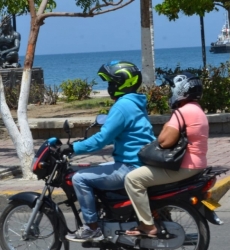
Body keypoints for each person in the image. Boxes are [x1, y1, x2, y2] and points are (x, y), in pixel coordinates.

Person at [60, 60, 156, 242]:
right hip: (138, 162)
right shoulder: (135, 102)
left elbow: (102, 139)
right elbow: (111, 135)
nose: (110, 86)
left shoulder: (122, 106)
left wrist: (73, 147)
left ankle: (92, 227)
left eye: (112, 82)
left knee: (79, 178)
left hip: (130, 166)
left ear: (122, 82)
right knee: (98, 169)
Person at [124, 72, 208, 237]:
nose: (170, 91)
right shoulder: (197, 110)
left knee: (133, 179)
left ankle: (148, 226)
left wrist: (167, 126)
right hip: (198, 164)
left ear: (180, 90)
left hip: (183, 166)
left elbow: (164, 142)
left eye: (172, 88)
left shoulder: (182, 112)